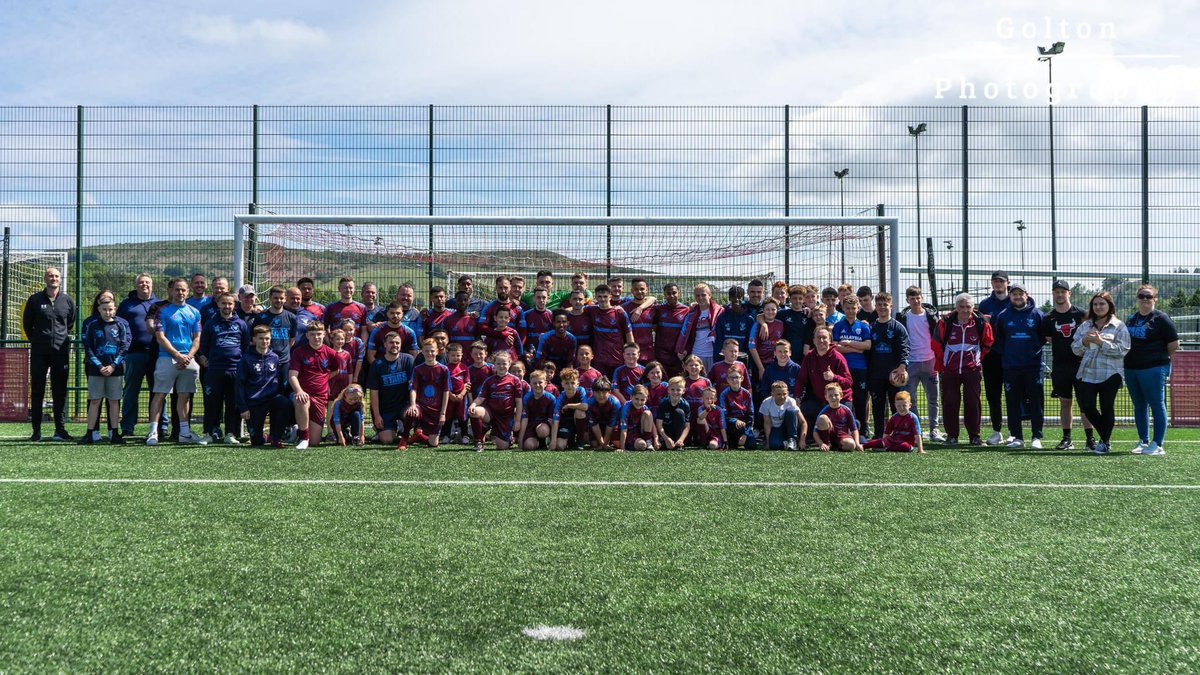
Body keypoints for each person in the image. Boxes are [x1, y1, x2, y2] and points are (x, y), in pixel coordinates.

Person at [1071, 292, 1131, 455]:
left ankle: (1104, 442)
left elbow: (1122, 350)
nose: (1098, 307)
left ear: (1109, 306)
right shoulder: (1085, 326)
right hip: (1087, 372)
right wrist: (1084, 341)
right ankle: (1105, 435)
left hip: (1110, 373)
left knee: (1107, 408)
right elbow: (1075, 349)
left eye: (1102, 304)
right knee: (1088, 407)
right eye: (1095, 304)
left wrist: (1100, 342)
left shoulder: (1119, 326)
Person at [147, 278, 204, 446]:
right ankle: (153, 433)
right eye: (177, 289)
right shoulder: (162, 311)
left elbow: (197, 337)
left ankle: (184, 433)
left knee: (185, 396)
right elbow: (160, 337)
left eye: (183, 290)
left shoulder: (194, 312)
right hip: (166, 358)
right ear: (171, 291)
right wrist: (177, 355)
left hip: (188, 360)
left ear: (188, 292)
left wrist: (189, 356)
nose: (180, 293)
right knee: (160, 394)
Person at [1123, 284, 1178, 456]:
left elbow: (1174, 344)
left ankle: (1158, 444)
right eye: (1141, 296)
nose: (1145, 299)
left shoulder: (1161, 318)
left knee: (1156, 404)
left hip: (1154, 368)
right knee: (1139, 405)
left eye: (1148, 296)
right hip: (1131, 368)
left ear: (1155, 299)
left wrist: (1159, 359)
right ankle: (1143, 441)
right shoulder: (1131, 319)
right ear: (1137, 298)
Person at [932, 293, 993, 446]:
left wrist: (976, 360)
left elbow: (988, 343)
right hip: (950, 371)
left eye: (968, 307)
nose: (965, 310)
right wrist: (945, 362)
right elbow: (936, 343)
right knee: (950, 402)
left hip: (972, 370)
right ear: (956, 307)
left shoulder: (981, 323)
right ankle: (952, 436)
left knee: (973, 402)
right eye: (962, 307)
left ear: (973, 308)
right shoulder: (945, 322)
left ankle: (974, 436)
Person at [23, 267, 76, 442]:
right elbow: (27, 324)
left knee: (59, 391)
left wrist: (58, 340)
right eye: (50, 276)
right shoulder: (35, 300)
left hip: (60, 353)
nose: (53, 278)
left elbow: (69, 324)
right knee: (38, 390)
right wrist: (40, 340)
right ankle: (36, 431)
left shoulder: (67, 301)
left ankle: (60, 430)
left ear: (61, 279)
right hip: (39, 352)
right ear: (45, 278)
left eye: (56, 276)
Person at [1041, 279, 1095, 451]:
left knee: (1086, 403)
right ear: (1053, 293)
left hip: (1081, 365)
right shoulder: (1048, 318)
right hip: (1060, 367)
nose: (1059, 294)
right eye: (1056, 291)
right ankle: (1067, 439)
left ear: (1069, 293)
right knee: (1065, 402)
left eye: (1062, 291)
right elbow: (1050, 339)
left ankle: (1090, 439)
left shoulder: (1082, 314)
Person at [992, 284, 1046, 449]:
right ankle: (1017, 437)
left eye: (1020, 294)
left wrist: (1032, 351)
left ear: (1026, 295)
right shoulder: (1003, 316)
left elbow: (1044, 337)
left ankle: (1036, 436)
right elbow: (998, 339)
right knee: (1012, 402)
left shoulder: (1038, 315)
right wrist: (1009, 353)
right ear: (1010, 296)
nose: (1017, 297)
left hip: (1033, 366)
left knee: (1036, 402)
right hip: (1011, 367)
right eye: (1014, 294)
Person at [198, 292, 250, 444]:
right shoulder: (211, 324)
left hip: (235, 370)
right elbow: (204, 346)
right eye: (224, 303)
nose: (227, 306)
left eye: (230, 304)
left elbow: (245, 346)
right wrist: (206, 359)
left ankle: (230, 434)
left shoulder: (241, 324)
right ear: (218, 305)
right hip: (215, 370)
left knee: (233, 403)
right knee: (212, 403)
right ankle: (208, 433)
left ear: (234, 305)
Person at [80, 296, 130, 444]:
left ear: (115, 310)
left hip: (116, 369)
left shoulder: (120, 325)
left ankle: (114, 433)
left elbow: (124, 347)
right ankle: (90, 433)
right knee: (95, 400)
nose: (108, 312)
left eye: (111, 309)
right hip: (96, 370)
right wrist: (99, 366)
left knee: (114, 401)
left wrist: (113, 365)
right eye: (104, 309)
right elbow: (88, 347)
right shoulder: (92, 325)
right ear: (99, 309)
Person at [898, 286, 945, 441]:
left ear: (922, 298)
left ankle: (934, 430)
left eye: (918, 298)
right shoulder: (903, 317)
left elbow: (939, 336)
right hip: (911, 362)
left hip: (930, 361)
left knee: (933, 398)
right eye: (912, 298)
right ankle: (916, 429)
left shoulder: (931, 316)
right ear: (907, 300)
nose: (916, 301)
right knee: (910, 399)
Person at [795, 326, 853, 446]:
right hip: (819, 400)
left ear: (830, 339)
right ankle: (809, 438)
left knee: (838, 428)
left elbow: (849, 382)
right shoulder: (809, 357)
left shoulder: (838, 357)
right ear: (814, 340)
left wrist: (834, 377)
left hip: (839, 401)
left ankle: (847, 430)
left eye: (824, 338)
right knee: (801, 412)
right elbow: (801, 380)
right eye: (818, 338)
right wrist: (797, 398)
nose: (821, 341)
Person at [236, 326, 292, 447]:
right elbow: (239, 385)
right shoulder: (246, 359)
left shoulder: (275, 358)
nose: (264, 341)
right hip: (254, 402)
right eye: (261, 338)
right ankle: (263, 437)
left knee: (284, 403)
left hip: (271, 398)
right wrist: (243, 408)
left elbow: (277, 379)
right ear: (254, 339)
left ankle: (275, 438)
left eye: (267, 338)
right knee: (256, 442)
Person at [288, 322, 338, 450]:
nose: (316, 337)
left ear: (324, 334)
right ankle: (303, 436)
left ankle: (298, 430)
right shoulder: (299, 352)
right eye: (313, 334)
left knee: (315, 442)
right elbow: (292, 375)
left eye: (319, 334)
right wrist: (299, 391)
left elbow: (335, 370)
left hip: (321, 396)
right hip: (305, 393)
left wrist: (324, 379)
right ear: (307, 335)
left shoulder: (331, 353)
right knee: (302, 400)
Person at [867, 293, 910, 441]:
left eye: (885, 304)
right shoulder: (871, 327)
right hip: (876, 374)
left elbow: (905, 348)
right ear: (876, 307)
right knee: (878, 406)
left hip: (894, 375)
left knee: (895, 405)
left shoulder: (898, 327)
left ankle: (897, 433)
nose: (882, 307)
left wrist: (902, 367)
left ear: (891, 306)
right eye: (879, 305)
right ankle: (879, 434)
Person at [831, 294, 872, 439]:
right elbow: (835, 347)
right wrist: (856, 348)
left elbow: (867, 345)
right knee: (843, 399)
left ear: (858, 308)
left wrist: (847, 343)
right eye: (847, 308)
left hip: (860, 368)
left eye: (853, 308)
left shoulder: (863, 326)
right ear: (843, 308)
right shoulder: (838, 326)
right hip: (843, 368)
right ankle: (844, 430)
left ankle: (862, 432)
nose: (850, 311)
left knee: (861, 400)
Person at [978, 271, 1011, 445]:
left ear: (1007, 282)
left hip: (1011, 356)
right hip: (990, 357)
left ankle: (1015, 432)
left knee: (1014, 394)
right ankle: (997, 431)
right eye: (995, 281)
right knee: (993, 395)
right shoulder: (984, 304)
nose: (998, 284)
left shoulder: (1016, 299)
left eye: (1001, 281)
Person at [368, 331, 416, 446]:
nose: (394, 345)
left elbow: (413, 386)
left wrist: (413, 405)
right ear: (385, 344)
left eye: (397, 343)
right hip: (386, 408)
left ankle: (405, 432)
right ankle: (387, 430)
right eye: (391, 342)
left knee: (413, 414)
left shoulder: (408, 360)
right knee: (387, 440)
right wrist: (377, 415)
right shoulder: (377, 364)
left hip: (403, 405)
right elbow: (373, 392)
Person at [469, 351, 523, 452]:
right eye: (498, 363)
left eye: (504, 363)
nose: (501, 366)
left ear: (509, 364)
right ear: (494, 364)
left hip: (506, 416)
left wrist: (518, 421)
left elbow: (519, 402)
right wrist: (473, 404)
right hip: (491, 413)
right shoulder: (489, 380)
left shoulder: (515, 380)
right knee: (475, 411)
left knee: (502, 447)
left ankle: (505, 436)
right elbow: (481, 397)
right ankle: (478, 442)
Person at [406, 339, 451, 449]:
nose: (429, 353)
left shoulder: (444, 369)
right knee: (410, 412)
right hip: (422, 406)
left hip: (436, 409)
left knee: (433, 444)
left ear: (436, 351)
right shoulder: (418, 369)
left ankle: (419, 435)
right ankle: (404, 438)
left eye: (432, 351)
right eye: (426, 351)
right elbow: (413, 389)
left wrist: (443, 413)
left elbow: (446, 391)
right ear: (422, 352)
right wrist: (413, 405)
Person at [586, 284, 632, 377]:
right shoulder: (592, 310)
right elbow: (576, 309)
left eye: (605, 296)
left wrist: (630, 354)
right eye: (599, 296)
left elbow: (629, 333)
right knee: (601, 387)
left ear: (610, 296)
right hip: (600, 359)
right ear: (596, 297)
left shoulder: (619, 312)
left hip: (617, 358)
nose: (602, 299)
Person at [676, 283, 722, 370]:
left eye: (703, 295)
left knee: (712, 382)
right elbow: (687, 334)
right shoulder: (691, 313)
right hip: (696, 355)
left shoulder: (719, 311)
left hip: (713, 354)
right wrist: (684, 349)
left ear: (709, 295)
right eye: (697, 295)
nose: (700, 298)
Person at [653, 283, 691, 377]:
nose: (671, 296)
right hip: (661, 354)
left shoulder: (687, 310)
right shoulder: (659, 309)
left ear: (679, 294)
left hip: (677, 355)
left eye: (674, 293)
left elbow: (689, 332)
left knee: (677, 383)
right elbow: (654, 328)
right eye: (668, 293)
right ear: (664, 295)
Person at [814, 382, 862, 452]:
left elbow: (854, 429)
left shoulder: (846, 410)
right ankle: (827, 444)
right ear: (826, 397)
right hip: (827, 438)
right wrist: (821, 443)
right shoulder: (824, 411)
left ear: (841, 396)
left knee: (851, 445)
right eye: (830, 396)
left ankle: (838, 446)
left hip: (842, 437)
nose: (833, 397)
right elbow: (815, 432)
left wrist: (857, 444)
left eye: (836, 395)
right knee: (822, 418)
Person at [550, 367, 589, 450]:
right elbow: (556, 419)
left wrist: (568, 405)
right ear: (562, 384)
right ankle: (571, 441)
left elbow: (585, 406)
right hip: (566, 423)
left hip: (579, 422)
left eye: (572, 383)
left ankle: (579, 442)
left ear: (577, 383)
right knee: (560, 446)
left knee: (580, 412)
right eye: (567, 383)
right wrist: (553, 442)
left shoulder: (581, 390)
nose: (570, 385)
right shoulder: (561, 397)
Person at [518, 370, 557, 450]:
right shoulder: (527, 398)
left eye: (540, 382)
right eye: (534, 383)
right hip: (531, 425)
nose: (537, 385)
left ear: (545, 383)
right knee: (529, 446)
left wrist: (553, 440)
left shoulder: (551, 398)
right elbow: (525, 419)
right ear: (530, 384)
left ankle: (544, 441)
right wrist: (520, 440)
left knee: (542, 430)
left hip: (544, 426)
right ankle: (537, 443)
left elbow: (551, 420)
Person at [760, 380, 803, 451]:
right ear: (772, 394)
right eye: (778, 394)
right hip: (776, 429)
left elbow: (803, 422)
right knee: (774, 445)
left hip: (789, 428)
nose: (782, 397)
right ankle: (786, 443)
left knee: (791, 412)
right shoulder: (766, 402)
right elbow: (767, 423)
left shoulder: (791, 401)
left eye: (784, 394)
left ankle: (793, 440)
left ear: (788, 393)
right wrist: (768, 443)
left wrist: (802, 440)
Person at [719, 368, 756, 449]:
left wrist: (745, 434)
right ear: (727, 380)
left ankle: (745, 437)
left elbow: (751, 415)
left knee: (752, 446)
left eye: (737, 377)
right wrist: (735, 420)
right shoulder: (724, 394)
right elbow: (724, 415)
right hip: (731, 426)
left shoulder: (747, 394)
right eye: (731, 378)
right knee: (731, 447)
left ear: (741, 378)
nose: (734, 380)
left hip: (745, 425)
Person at [617, 384, 657, 451]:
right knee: (642, 445)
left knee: (648, 413)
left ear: (646, 399)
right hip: (629, 434)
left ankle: (648, 441)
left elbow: (652, 424)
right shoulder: (626, 408)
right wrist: (622, 448)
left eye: (642, 400)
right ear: (631, 397)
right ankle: (643, 443)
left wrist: (656, 439)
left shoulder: (644, 407)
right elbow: (624, 429)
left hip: (640, 431)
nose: (639, 402)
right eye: (636, 399)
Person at [655, 376, 691, 451]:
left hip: (678, 433)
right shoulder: (663, 403)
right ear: (668, 390)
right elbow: (659, 425)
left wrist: (681, 439)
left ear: (683, 391)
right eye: (672, 389)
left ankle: (678, 444)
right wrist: (666, 438)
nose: (675, 392)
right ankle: (668, 443)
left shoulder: (685, 404)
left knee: (679, 412)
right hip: (666, 432)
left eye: (678, 390)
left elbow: (687, 426)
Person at [585, 377, 621, 450]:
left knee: (617, 443)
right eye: (598, 392)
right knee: (594, 444)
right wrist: (602, 443)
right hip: (598, 426)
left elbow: (611, 425)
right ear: (593, 392)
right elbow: (594, 425)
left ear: (609, 392)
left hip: (612, 427)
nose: (601, 395)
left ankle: (609, 441)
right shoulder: (590, 403)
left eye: (604, 392)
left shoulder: (615, 403)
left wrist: (605, 444)